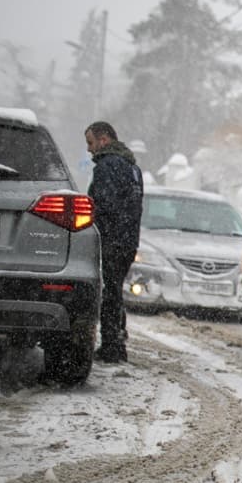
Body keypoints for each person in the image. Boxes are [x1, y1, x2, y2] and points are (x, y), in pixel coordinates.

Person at [85, 121, 145, 362]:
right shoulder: (133, 168)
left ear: (103, 140)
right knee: (115, 290)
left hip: (111, 240)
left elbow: (104, 205)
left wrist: (94, 225)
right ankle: (118, 339)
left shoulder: (106, 166)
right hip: (129, 240)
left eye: (90, 143)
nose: (89, 149)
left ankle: (112, 346)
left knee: (109, 293)